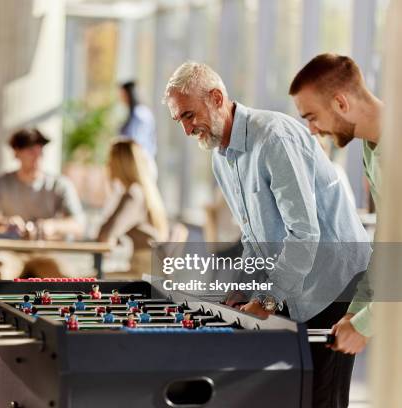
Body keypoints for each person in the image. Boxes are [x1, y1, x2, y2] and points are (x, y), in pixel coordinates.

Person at [163, 61, 371, 408]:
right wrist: (246, 284)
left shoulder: (273, 137)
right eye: (179, 120)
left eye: (188, 115)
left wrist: (269, 297)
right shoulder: (221, 157)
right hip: (296, 281)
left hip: (333, 283)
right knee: (285, 394)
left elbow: (304, 232)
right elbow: (254, 234)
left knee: (321, 398)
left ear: (216, 98)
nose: (186, 130)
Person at [290, 53, 383, 355]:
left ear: (341, 103)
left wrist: (366, 323)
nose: (313, 130)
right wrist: (355, 313)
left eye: (312, 117)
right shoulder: (374, 150)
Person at [0, 128, 84, 278]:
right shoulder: (1, 183)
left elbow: (79, 225)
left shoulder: (59, 184)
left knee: (67, 278)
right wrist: (5, 224)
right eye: (31, 151)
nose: (37, 156)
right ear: (16, 153)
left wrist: (51, 226)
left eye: (40, 151)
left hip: (45, 252)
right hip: (11, 252)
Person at [97, 140, 168, 277]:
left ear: (120, 163)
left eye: (110, 160)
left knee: (86, 281)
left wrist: (108, 187)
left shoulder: (133, 195)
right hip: (152, 269)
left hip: (143, 273)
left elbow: (105, 235)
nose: (107, 165)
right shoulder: (143, 191)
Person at [119, 81, 157, 160]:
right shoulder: (135, 113)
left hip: (140, 162)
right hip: (137, 160)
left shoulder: (140, 114)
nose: (121, 98)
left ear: (130, 94)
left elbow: (136, 141)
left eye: (123, 94)